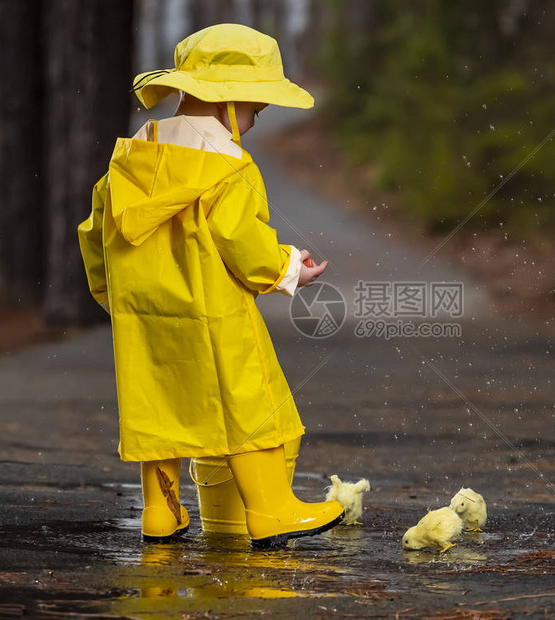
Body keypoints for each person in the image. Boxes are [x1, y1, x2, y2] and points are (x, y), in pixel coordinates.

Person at [77, 23, 344, 548]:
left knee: (159, 408)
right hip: (215, 316)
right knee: (251, 404)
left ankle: (161, 513)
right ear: (229, 102)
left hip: (146, 320)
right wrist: (290, 268)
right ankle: (270, 511)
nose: (256, 118)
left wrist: (113, 295)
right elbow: (242, 242)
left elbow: (94, 233)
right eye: (254, 108)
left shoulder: (132, 157)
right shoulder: (228, 167)